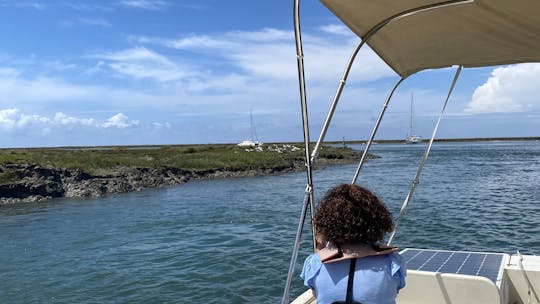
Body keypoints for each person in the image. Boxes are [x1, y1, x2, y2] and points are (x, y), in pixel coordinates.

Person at [301, 184, 406, 304]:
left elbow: (316, 294)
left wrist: (320, 246)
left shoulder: (314, 263)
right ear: (377, 221)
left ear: (327, 223)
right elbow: (392, 291)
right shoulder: (393, 263)